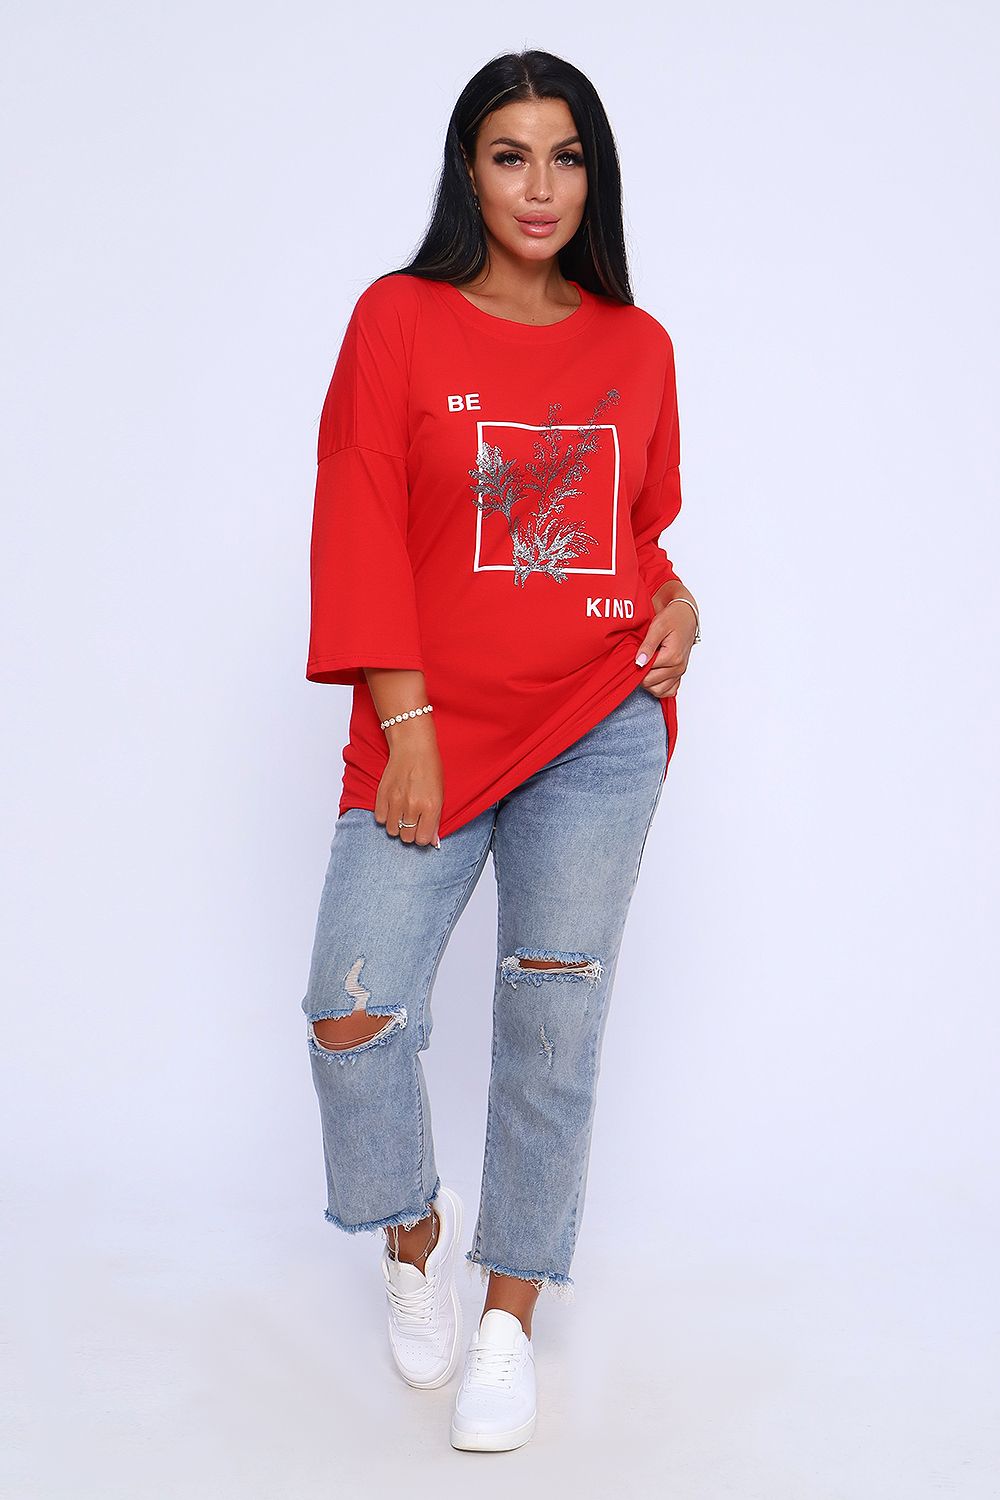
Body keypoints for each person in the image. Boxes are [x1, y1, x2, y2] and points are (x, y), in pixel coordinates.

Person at [300, 48, 700, 1453]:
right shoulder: (398, 319)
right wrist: (405, 724)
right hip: (428, 727)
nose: (541, 187)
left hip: (595, 726)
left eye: (566, 156)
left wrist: (678, 600)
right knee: (352, 1013)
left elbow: (629, 533)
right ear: (467, 171)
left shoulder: (636, 345)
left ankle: (509, 1319)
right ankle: (415, 1234)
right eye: (510, 155)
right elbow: (359, 517)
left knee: (551, 1024)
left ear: (596, 176)